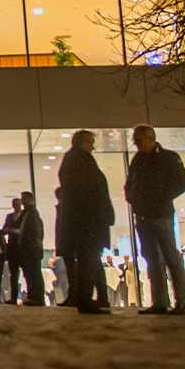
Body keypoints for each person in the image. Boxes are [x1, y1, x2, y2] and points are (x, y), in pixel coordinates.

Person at [125, 123, 185, 315]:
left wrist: (159, 198)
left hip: (161, 214)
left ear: (150, 138)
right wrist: (133, 199)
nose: (136, 144)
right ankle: (160, 302)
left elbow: (181, 183)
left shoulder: (168, 157)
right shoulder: (138, 160)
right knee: (152, 258)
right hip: (144, 215)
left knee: (170, 256)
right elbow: (130, 184)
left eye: (138, 140)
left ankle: (180, 302)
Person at [57, 129, 114, 314]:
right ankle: (85, 298)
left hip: (84, 221)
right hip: (88, 222)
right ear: (82, 143)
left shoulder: (73, 161)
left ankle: (84, 298)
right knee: (88, 260)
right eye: (90, 142)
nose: (93, 147)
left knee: (87, 261)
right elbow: (89, 192)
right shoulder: (80, 161)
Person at [15, 191, 47, 304]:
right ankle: (34, 296)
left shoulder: (32, 213)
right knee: (31, 274)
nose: (22, 201)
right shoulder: (29, 213)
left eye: (23, 198)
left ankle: (37, 297)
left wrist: (27, 245)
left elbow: (33, 232)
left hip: (31, 249)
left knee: (34, 273)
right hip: (31, 248)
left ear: (29, 199)